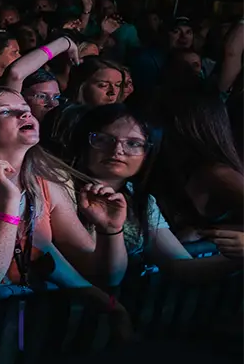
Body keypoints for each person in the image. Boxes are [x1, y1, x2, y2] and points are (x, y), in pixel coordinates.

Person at [0, 87, 121, 299]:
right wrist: (9, 201)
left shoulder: (44, 185)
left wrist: (110, 231)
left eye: (25, 109)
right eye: (6, 112)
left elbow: (101, 273)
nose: (25, 115)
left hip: (17, 325)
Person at [66, 104, 240, 285]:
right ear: (84, 142)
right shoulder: (64, 189)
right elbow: (102, 276)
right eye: (104, 139)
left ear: (147, 153)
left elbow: (179, 266)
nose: (117, 150)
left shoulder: (139, 199)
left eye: (133, 143)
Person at [144, 85, 244, 243]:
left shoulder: (218, 174)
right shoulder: (171, 163)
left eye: (160, 117)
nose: (150, 125)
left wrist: (206, 233)